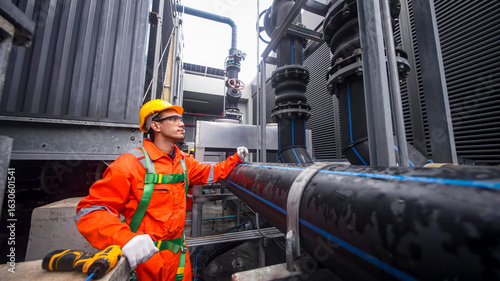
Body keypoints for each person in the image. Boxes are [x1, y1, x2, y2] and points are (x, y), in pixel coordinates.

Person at [75, 99, 248, 281]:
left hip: (179, 258)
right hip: (146, 262)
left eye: (180, 118)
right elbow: (91, 211)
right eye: (173, 118)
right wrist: (124, 239)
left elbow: (211, 172)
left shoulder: (183, 162)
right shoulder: (131, 164)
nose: (181, 123)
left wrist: (236, 159)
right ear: (155, 125)